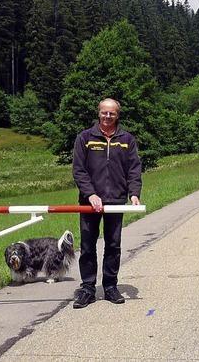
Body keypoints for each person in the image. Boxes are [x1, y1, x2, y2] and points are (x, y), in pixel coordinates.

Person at [71, 98, 142, 309]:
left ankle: (110, 286)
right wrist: (91, 194)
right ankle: (87, 288)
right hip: (89, 202)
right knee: (87, 246)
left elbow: (134, 169)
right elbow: (79, 170)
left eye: (111, 113)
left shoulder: (127, 139)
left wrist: (134, 193)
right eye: (104, 112)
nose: (107, 116)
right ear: (98, 113)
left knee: (113, 245)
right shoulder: (85, 138)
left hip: (115, 201)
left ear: (117, 115)